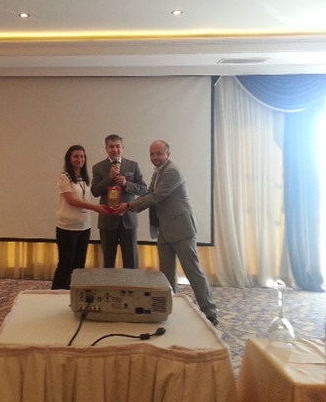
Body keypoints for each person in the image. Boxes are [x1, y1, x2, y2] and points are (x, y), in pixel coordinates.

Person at [113, 140, 218, 325]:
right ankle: (172, 308)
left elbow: (156, 196)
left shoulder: (172, 172)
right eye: (152, 153)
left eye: (159, 153)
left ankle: (210, 313)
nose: (155, 157)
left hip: (181, 229)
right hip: (165, 229)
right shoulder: (158, 172)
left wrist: (129, 206)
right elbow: (149, 194)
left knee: (193, 272)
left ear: (168, 154)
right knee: (166, 273)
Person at [52, 145, 110, 290]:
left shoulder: (84, 178)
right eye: (76, 156)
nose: (80, 159)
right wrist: (95, 207)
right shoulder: (64, 177)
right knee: (66, 264)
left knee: (79, 264)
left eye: (82, 156)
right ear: (69, 159)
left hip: (84, 226)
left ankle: (74, 293)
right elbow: (71, 200)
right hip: (67, 227)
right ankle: (57, 293)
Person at [91, 134, 147, 269]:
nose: (115, 150)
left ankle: (131, 282)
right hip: (107, 220)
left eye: (117, 146)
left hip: (128, 219)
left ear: (123, 148)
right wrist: (109, 178)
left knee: (131, 260)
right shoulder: (98, 167)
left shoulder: (133, 165)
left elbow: (143, 189)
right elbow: (95, 191)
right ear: (106, 149)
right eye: (111, 147)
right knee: (108, 261)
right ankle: (109, 282)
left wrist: (126, 183)